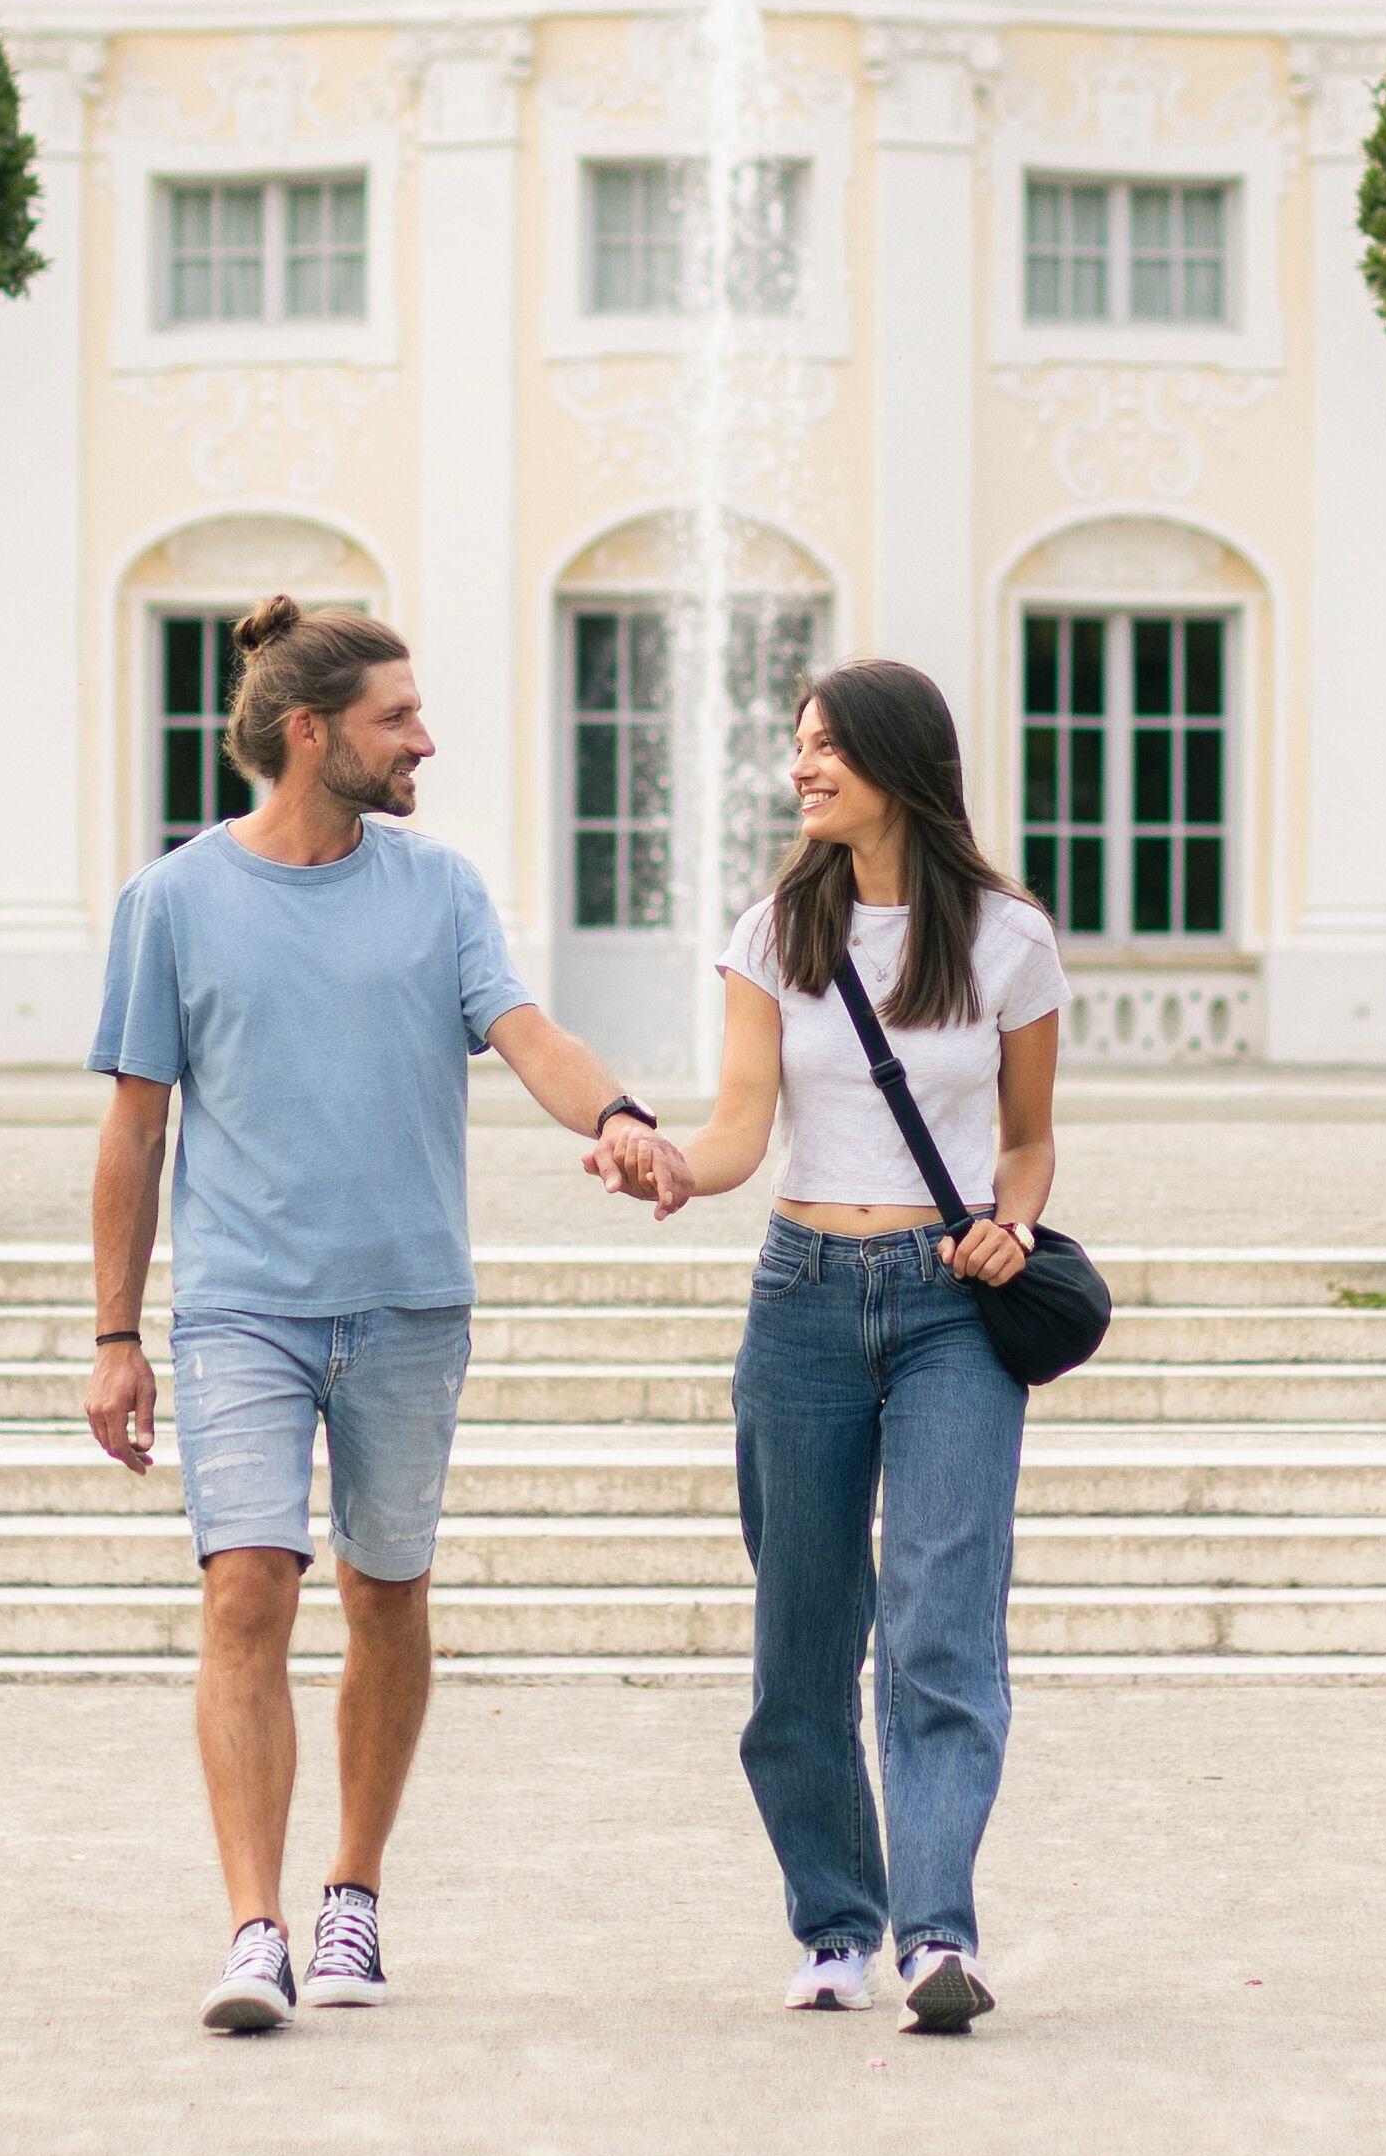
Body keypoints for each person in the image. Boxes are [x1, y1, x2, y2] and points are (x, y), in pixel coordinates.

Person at [85, 596, 690, 2035]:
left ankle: (351, 1888)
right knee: (246, 1584)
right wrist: (114, 1336)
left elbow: (526, 1033)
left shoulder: (439, 888)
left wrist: (615, 1115)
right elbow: (134, 1129)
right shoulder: (171, 901)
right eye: (396, 717)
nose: (425, 739)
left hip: (409, 1301)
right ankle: (254, 1926)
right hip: (242, 1304)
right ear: (311, 732)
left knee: (386, 1591)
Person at [668, 659, 1061, 2029]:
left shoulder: (1008, 938)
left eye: (828, 743)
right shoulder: (776, 930)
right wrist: (673, 1167)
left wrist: (1014, 1223)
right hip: (804, 1298)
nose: (802, 765)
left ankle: (936, 1932)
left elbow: (1026, 1138)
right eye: (798, 742)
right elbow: (739, 1127)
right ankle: (835, 1922)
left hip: (952, 1304)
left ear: (900, 760)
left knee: (940, 1625)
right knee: (802, 1636)